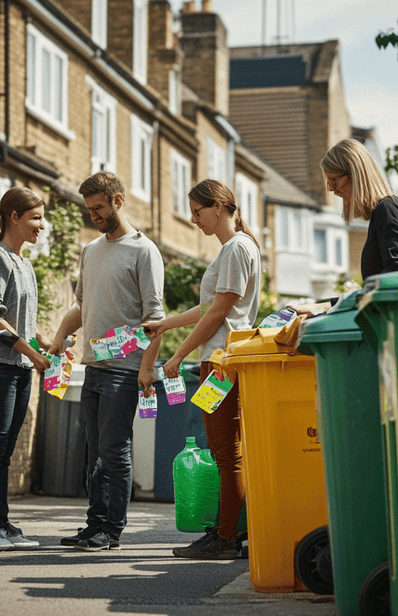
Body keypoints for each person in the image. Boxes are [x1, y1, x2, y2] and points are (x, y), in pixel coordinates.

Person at [141, 179, 261, 559]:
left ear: (220, 205)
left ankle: (227, 537)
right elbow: (208, 307)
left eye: (198, 211)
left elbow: (220, 311)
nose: (194, 220)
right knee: (227, 452)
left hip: (222, 362)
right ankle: (228, 532)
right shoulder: (232, 250)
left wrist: (178, 356)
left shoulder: (237, 249)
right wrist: (166, 325)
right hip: (220, 359)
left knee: (228, 454)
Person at [47, 171, 165, 552]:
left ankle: (111, 531)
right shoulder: (91, 250)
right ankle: (93, 525)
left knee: (114, 451)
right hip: (93, 366)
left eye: (99, 208)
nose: (94, 215)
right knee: (94, 453)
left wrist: (146, 367)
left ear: (118, 200)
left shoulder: (144, 251)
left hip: (125, 370)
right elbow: (83, 305)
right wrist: (59, 337)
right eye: (89, 210)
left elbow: (156, 318)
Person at [0, 187, 53, 550]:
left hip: (19, 365)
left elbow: (21, 318)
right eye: (35, 217)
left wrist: (45, 341)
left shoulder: (24, 263)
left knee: (6, 449)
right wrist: (33, 355)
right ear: (14, 217)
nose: (42, 225)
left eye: (43, 217)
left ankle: (1, 522)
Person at [294, 138, 398, 316]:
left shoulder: (387, 210)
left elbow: (394, 275)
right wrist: (329, 305)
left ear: (355, 174)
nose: (331, 189)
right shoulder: (383, 212)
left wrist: (328, 306)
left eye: (334, 180)